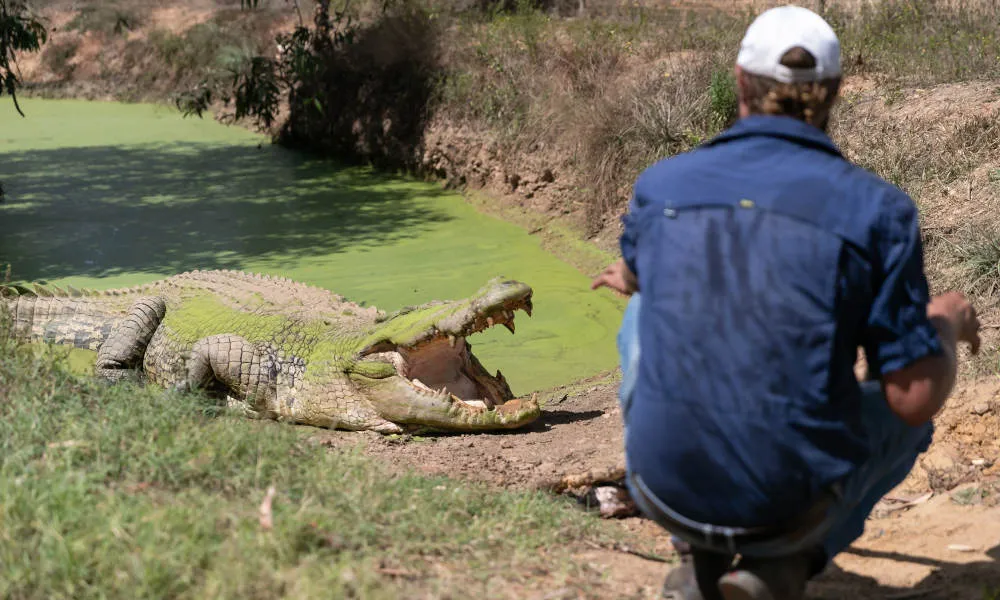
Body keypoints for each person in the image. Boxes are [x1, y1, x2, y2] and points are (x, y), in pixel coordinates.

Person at [590, 6, 981, 600]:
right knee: (908, 419)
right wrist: (945, 325)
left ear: (740, 81)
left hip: (662, 487)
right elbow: (913, 397)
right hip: (785, 502)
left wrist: (643, 273)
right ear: (836, 91)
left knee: (642, 311)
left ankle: (697, 553)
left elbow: (657, 275)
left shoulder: (662, 185)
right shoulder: (877, 210)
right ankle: (783, 567)